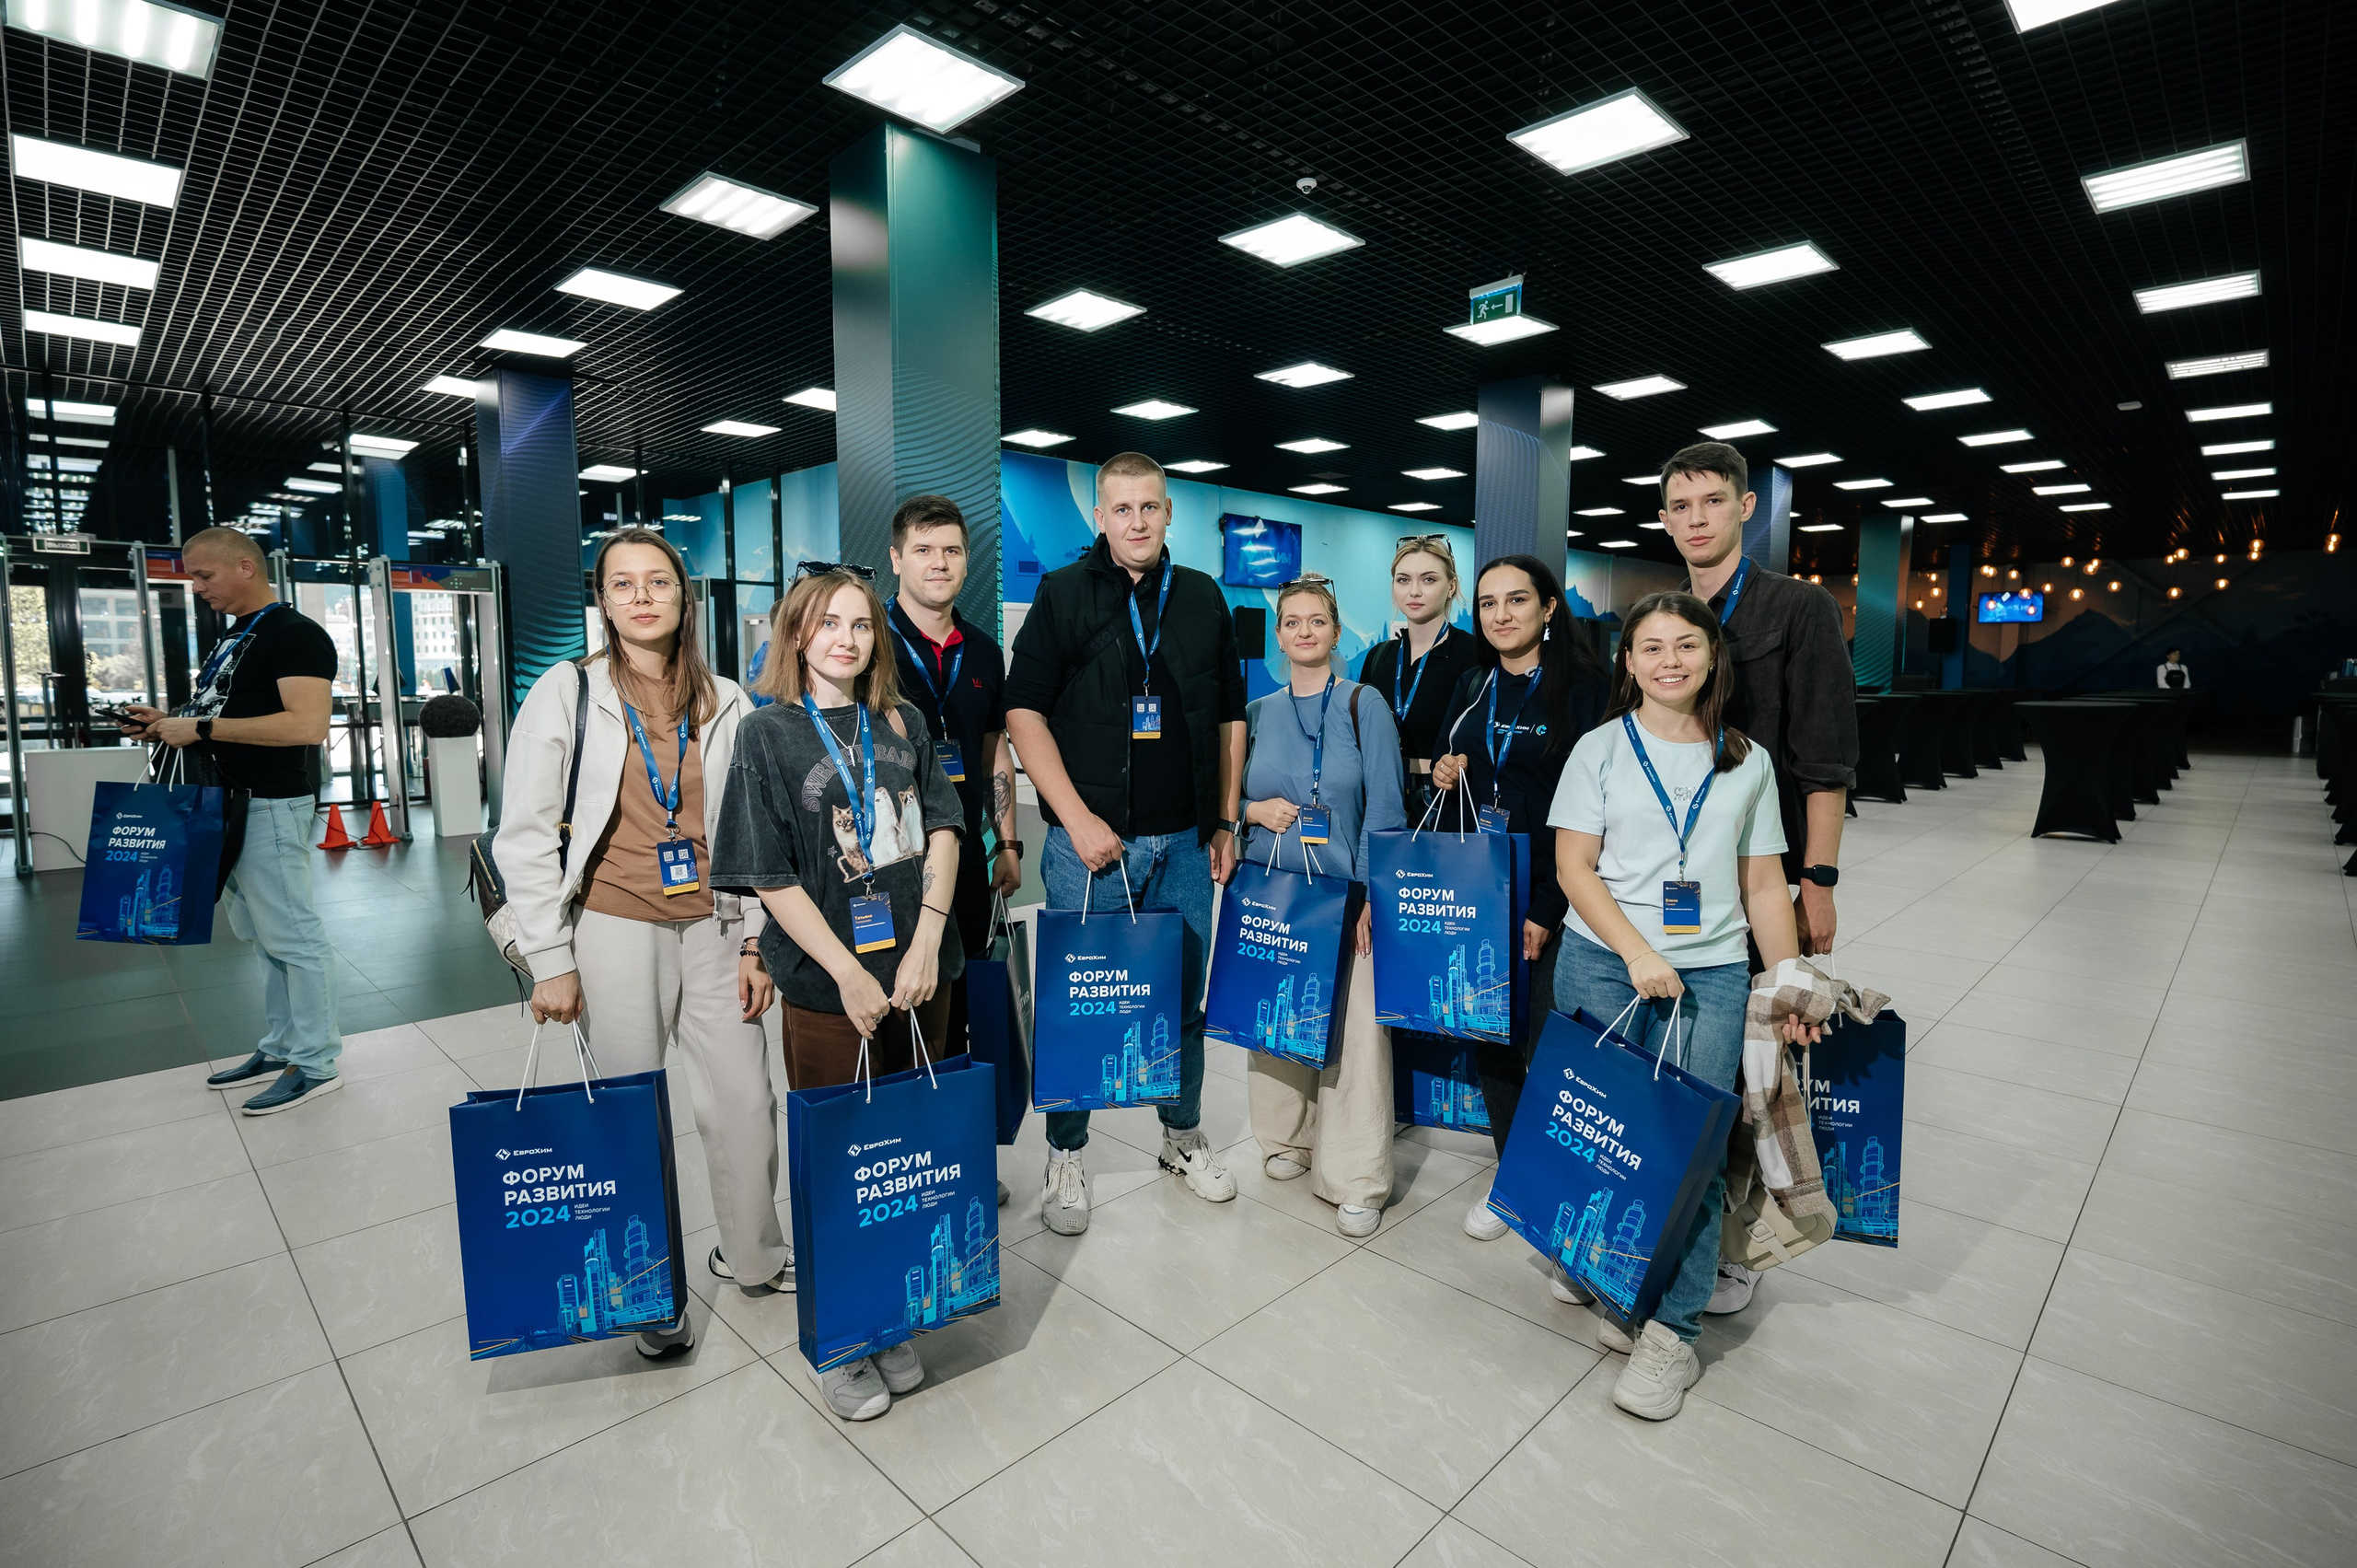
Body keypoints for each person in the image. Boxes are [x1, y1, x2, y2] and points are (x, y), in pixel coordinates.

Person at [492, 526, 785, 1361]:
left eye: (659, 580)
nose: (643, 596)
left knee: (744, 1103)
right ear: (604, 601)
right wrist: (550, 959)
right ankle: (650, 1286)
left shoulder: (726, 698)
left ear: (684, 596)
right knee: (629, 1114)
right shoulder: (569, 690)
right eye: (624, 584)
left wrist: (758, 941)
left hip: (718, 926)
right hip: (614, 927)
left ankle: (755, 1255)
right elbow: (525, 831)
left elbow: (752, 828)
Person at [1549, 590, 1818, 1421]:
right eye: (1651, 646)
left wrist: (1789, 979)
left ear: (1712, 660)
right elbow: (1574, 867)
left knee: (1693, 1154)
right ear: (1627, 662)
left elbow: (1764, 881)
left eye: (1686, 645)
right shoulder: (1598, 748)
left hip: (1709, 975)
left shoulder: (1748, 761)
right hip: (1601, 964)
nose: (1669, 660)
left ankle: (1674, 1328)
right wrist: (1636, 951)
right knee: (1601, 1137)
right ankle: (1615, 1273)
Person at [711, 563, 965, 1423]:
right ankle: (844, 1335)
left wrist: (928, 935)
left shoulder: (905, 721)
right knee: (843, 1156)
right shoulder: (768, 734)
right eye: (829, 624)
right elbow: (771, 875)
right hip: (830, 985)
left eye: (860, 624)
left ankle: (890, 1314)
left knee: (906, 1155)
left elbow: (943, 828)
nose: (847, 638)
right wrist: (850, 971)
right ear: (797, 635)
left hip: (921, 970)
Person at [1003, 451, 1248, 1235]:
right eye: (1122, 508)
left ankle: (1180, 1137)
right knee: (1081, 1006)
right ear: (1100, 516)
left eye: (1150, 507)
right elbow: (1023, 712)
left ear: (1169, 511)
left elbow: (1230, 718)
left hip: (1182, 843)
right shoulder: (1064, 594)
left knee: (1180, 1000)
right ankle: (1067, 1153)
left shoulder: (1204, 598)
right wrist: (1071, 817)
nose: (1137, 521)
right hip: (1090, 847)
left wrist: (1226, 819)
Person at [121, 528, 339, 1115]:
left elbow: (306, 726)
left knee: (293, 936)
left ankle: (317, 1062)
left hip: (267, 803)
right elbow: (221, 713)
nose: (196, 588)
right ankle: (281, 1045)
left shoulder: (295, 635)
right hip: (225, 803)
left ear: (245, 567)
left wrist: (204, 729)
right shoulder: (238, 635)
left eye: (204, 576)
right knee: (265, 937)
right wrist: (170, 722)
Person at [1427, 555, 1608, 1239]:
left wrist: (1545, 909)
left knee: (1552, 1046)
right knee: (1493, 1040)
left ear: (1550, 608)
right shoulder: (1475, 683)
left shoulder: (1586, 690)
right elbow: (1457, 773)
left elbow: (1590, 811)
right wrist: (1446, 772)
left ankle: (1561, 1191)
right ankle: (1514, 1177)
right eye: (1488, 602)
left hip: (1557, 894)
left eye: (1518, 600)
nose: (1501, 614)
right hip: (1482, 889)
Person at [1241, 575, 1407, 1237]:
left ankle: (1356, 1173)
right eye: (1292, 622)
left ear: (1337, 633)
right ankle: (1287, 1138)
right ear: (1277, 634)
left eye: (1317, 621)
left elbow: (1386, 812)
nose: (1304, 632)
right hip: (1274, 894)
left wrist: (1370, 894)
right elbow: (1229, 800)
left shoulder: (1365, 707)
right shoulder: (1258, 712)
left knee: (1356, 1036)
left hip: (1345, 895)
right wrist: (1251, 809)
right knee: (1278, 1024)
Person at [1659, 443, 1854, 957]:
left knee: (1759, 1023)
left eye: (1714, 501)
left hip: (1758, 866)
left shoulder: (1800, 607)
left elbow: (1825, 762)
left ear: (1745, 507)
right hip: (1668, 858)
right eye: (1681, 507)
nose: (1697, 519)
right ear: (1665, 520)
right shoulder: (1660, 622)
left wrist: (1818, 885)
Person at [882, 495, 1023, 1066]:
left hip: (965, 862)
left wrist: (1007, 845)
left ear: (967, 560)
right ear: (896, 559)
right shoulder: (869, 647)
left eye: (951, 551)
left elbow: (994, 755)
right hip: (890, 866)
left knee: (959, 1005)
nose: (939, 563)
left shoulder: (985, 652)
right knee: (896, 1011)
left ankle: (950, 1138)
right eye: (923, 550)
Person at [1355, 535, 1481, 819]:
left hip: (1444, 798)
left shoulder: (1473, 655)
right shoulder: (1378, 657)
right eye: (1403, 580)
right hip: (1380, 793)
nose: (1414, 591)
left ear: (1451, 587)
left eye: (1428, 580)